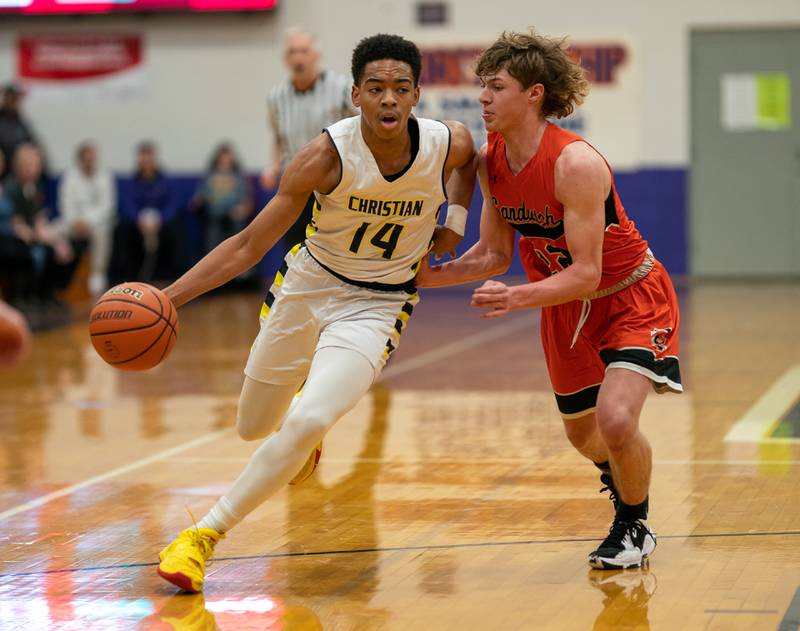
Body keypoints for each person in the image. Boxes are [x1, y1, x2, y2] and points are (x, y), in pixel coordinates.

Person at [156, 33, 475, 593]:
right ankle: (304, 424)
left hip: (378, 305)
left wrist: (454, 223)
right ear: (355, 95)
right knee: (253, 425)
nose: (389, 101)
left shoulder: (448, 143)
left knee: (306, 419)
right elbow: (247, 246)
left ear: (418, 94)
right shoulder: (325, 156)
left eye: (401, 88)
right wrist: (168, 299)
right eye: (376, 89)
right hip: (306, 288)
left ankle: (201, 537)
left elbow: (468, 167)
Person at [417, 30, 682, 570]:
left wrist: (516, 298)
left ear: (533, 94)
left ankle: (634, 526)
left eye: (497, 87)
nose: (483, 98)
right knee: (583, 434)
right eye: (482, 87)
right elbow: (491, 255)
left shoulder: (575, 163)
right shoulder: (492, 162)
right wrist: (414, 278)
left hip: (630, 295)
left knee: (616, 419)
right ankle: (623, 479)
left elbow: (587, 272)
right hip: (565, 308)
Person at [260, 28, 357, 251]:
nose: (298, 57)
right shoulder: (277, 96)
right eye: (293, 52)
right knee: (295, 249)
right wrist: (273, 166)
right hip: (296, 183)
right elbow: (278, 137)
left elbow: (363, 125)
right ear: (286, 59)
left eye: (303, 51)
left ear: (316, 56)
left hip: (335, 184)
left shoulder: (342, 88)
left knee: (334, 249)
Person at [110, 142, 182, 284]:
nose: (147, 163)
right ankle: (128, 276)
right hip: (138, 224)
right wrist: (138, 219)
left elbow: (173, 204)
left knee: (175, 227)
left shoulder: (165, 182)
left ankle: (167, 276)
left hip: (161, 223)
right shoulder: (131, 182)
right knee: (123, 228)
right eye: (144, 160)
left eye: (150, 160)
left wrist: (160, 219)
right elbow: (126, 204)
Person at [57, 141, 116, 295]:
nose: (90, 162)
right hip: (73, 223)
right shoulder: (69, 176)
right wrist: (75, 221)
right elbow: (65, 204)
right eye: (86, 159)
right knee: (54, 232)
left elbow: (107, 206)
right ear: (80, 159)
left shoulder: (105, 176)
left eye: (92, 159)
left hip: (95, 224)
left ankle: (98, 273)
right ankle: (60, 281)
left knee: (102, 232)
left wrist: (87, 222)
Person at [192, 142, 252, 256]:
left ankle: (240, 262)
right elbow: (200, 195)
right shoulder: (210, 175)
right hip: (214, 213)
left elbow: (246, 198)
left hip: (234, 213)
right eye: (223, 156)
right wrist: (200, 200)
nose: (225, 159)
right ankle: (211, 260)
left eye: (228, 156)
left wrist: (242, 208)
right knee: (213, 230)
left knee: (238, 228)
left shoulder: (238, 176)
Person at [0, 82, 42, 180]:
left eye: (16, 99)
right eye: (12, 98)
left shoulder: (20, 121)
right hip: (8, 173)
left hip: (22, 174)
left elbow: (32, 142)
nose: (15, 102)